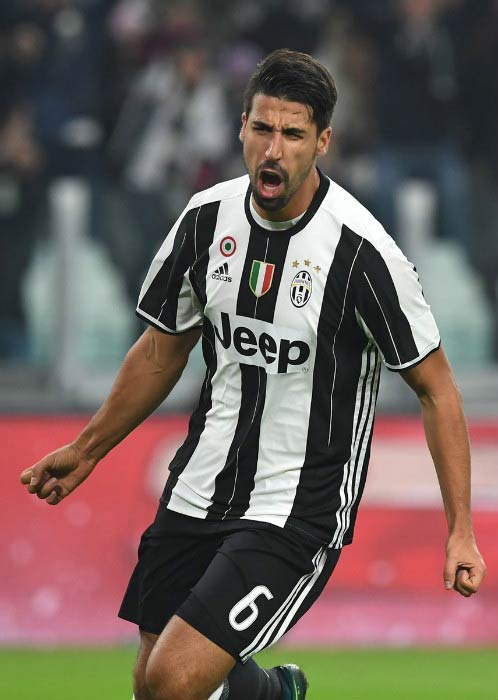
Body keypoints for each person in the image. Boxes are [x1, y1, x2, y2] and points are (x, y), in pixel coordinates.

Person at [20, 49, 486, 700]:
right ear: (240, 126)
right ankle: (274, 695)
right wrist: (88, 447)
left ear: (322, 142)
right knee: (152, 687)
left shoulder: (361, 253)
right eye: (262, 128)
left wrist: (459, 529)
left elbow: (436, 390)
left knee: (177, 682)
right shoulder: (205, 220)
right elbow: (161, 348)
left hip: (297, 509)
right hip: (200, 484)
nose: (274, 149)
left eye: (293, 134)